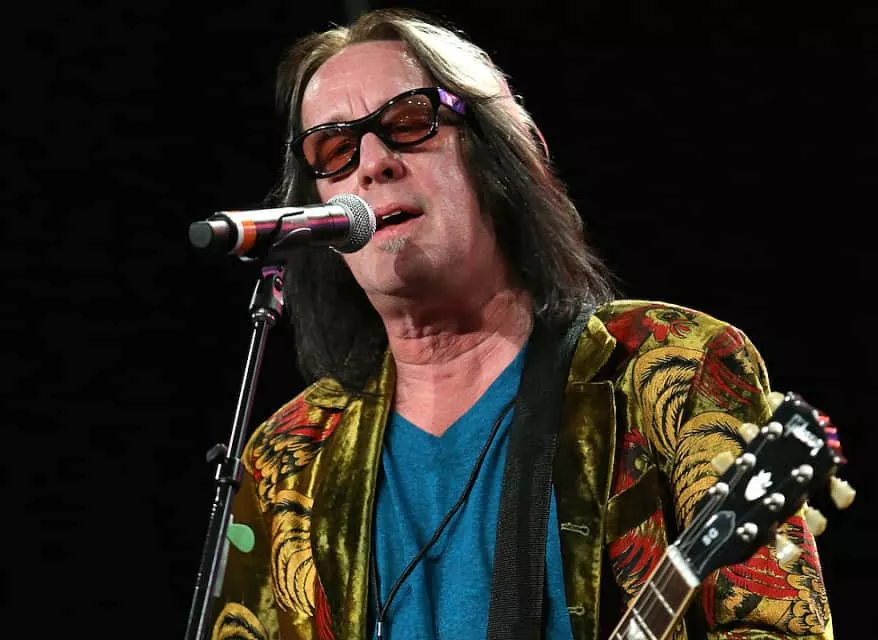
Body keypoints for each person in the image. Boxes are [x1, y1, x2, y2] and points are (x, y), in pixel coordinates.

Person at [209, 8, 834, 639]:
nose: (371, 164)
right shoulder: (287, 459)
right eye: (336, 150)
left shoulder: (671, 368)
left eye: (407, 123)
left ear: (500, 152)